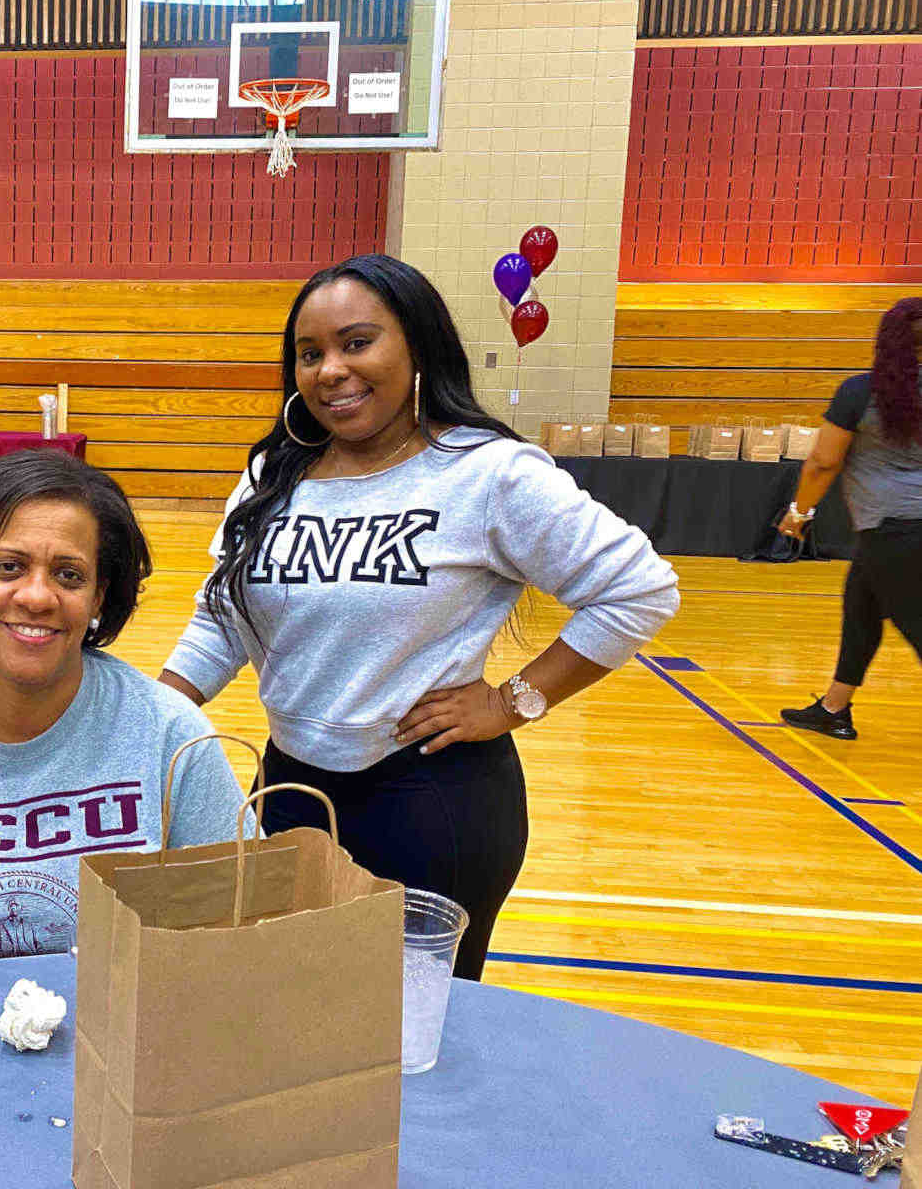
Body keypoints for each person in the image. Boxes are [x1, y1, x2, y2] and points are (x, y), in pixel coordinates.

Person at [159, 254, 679, 980]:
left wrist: (512, 701)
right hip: (288, 790)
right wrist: (153, 714)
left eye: (356, 342)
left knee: (410, 1036)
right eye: (308, 354)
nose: (329, 370)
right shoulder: (271, 475)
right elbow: (221, 618)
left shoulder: (487, 473)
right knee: (279, 1002)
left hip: (431, 800)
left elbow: (638, 588)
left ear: (417, 348)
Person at [0, 450, 250, 974]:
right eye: (9, 567)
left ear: (100, 596)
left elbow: (233, 933)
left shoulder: (171, 734)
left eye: (69, 576)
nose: (36, 596)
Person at [778, 298, 922, 740]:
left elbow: (823, 462)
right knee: (860, 606)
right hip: (896, 531)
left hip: (895, 527)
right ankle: (834, 707)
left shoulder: (862, 393)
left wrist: (798, 512)